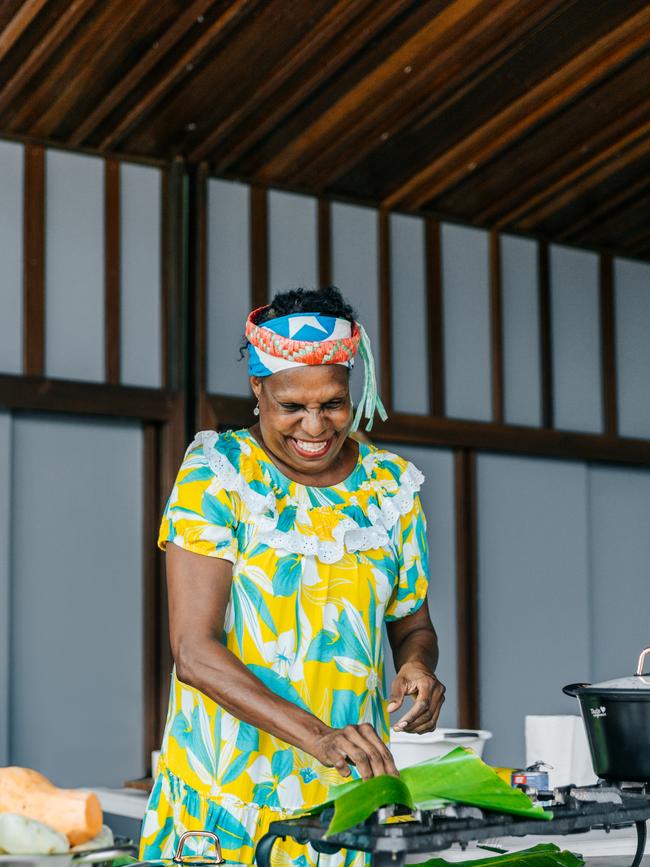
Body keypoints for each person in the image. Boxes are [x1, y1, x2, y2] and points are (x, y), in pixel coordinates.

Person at [139, 287, 445, 867]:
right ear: (258, 389)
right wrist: (318, 737)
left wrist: (418, 665)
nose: (315, 427)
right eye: (291, 406)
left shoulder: (391, 489)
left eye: (332, 403)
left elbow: (413, 625)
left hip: (349, 796)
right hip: (226, 792)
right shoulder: (219, 475)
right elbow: (194, 652)